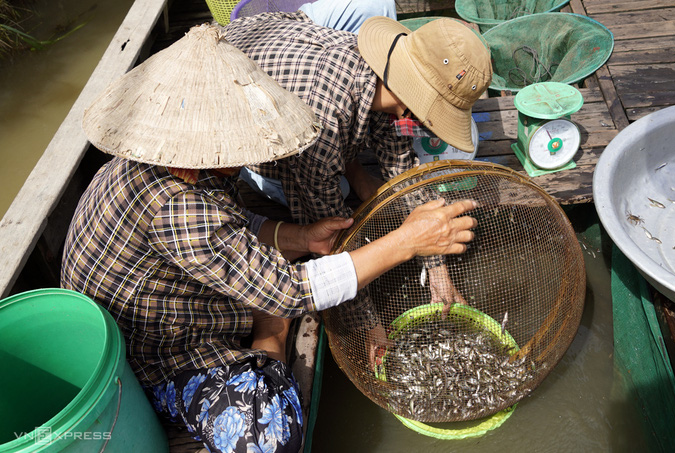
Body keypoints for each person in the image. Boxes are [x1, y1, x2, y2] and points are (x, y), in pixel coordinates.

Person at [61, 24, 478, 453]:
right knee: (273, 438)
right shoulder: (179, 207)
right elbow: (291, 291)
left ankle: (262, 321)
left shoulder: (174, 159)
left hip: (178, 292)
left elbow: (234, 218)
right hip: (152, 351)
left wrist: (299, 236)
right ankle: (269, 334)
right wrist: (407, 241)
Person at [225, 11, 492, 317]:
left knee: (361, 164)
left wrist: (437, 271)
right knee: (333, 194)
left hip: (270, 50)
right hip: (244, 122)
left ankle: (352, 166)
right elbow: (335, 242)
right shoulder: (321, 124)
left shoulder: (376, 73)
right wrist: (368, 322)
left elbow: (403, 167)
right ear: (412, 105)